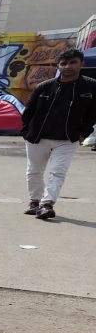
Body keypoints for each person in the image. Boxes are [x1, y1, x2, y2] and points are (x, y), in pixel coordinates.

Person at [20, 48, 96, 220]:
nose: (67, 66)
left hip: (67, 139)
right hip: (38, 137)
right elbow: (28, 112)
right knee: (34, 171)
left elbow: (93, 113)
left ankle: (47, 205)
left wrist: (83, 133)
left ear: (81, 64)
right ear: (58, 66)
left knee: (57, 172)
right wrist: (26, 132)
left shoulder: (91, 86)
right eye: (63, 63)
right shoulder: (44, 87)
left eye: (72, 63)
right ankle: (34, 202)